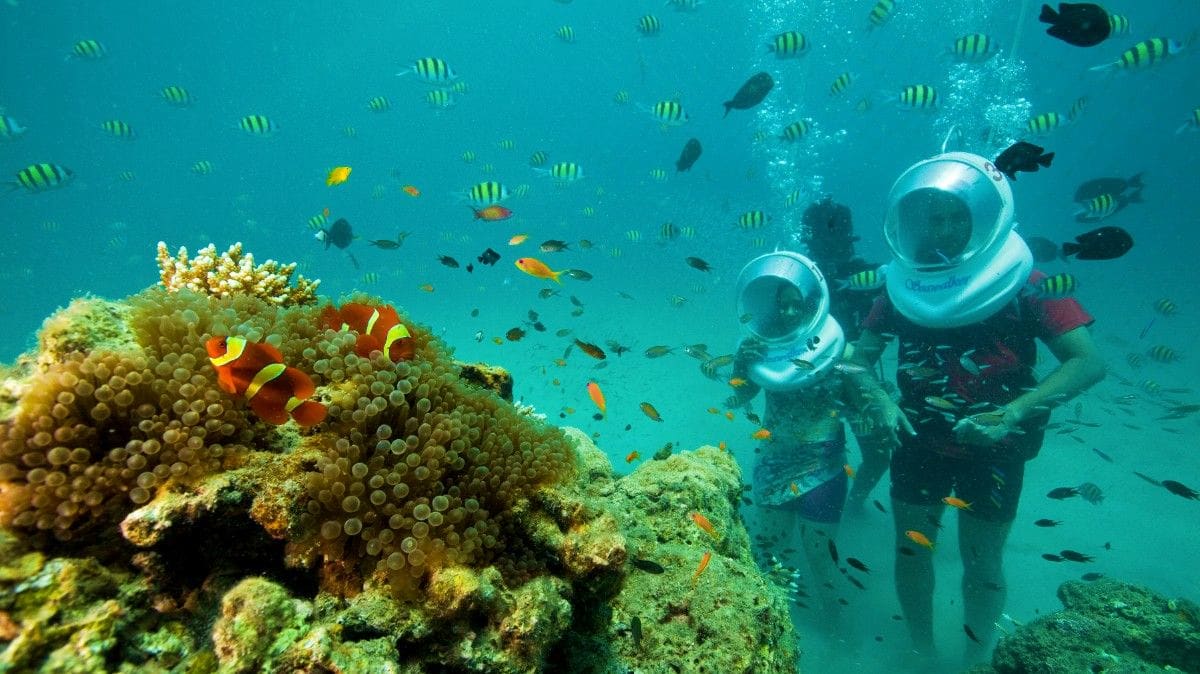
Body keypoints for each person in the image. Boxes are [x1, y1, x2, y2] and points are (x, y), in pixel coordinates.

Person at [844, 152, 1106, 666]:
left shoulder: (1026, 282)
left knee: (983, 563)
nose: (945, 229)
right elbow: (858, 360)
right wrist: (878, 399)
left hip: (997, 449)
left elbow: (1088, 362)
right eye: (935, 219)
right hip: (917, 441)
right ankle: (921, 650)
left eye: (956, 217)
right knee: (911, 551)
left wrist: (1014, 413)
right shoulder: (902, 286)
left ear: (982, 218)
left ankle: (974, 659)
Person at [726, 251, 897, 632]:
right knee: (769, 553)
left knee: (821, 559)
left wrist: (883, 405)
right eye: (783, 305)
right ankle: (770, 628)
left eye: (797, 304)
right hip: (772, 465)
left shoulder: (840, 349)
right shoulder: (763, 348)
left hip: (824, 467)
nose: (789, 313)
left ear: (813, 305)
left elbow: (866, 394)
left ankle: (836, 629)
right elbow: (741, 396)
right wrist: (741, 364)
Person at [800, 197, 893, 511]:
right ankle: (813, 504)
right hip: (809, 378)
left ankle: (854, 502)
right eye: (823, 240)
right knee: (810, 451)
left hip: (858, 376)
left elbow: (889, 323)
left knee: (879, 454)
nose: (831, 248)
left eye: (836, 239)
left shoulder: (868, 276)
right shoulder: (797, 278)